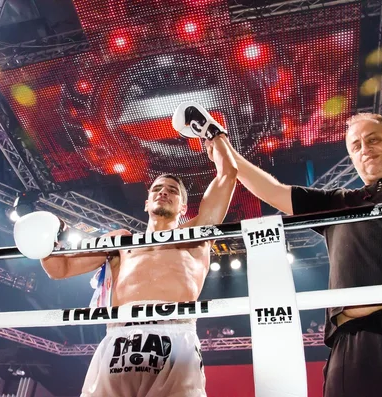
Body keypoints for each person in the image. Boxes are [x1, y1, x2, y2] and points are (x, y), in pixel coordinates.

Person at [200, 106, 382, 397]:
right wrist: (219, 140)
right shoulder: (340, 203)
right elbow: (271, 190)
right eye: (356, 145)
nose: (365, 149)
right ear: (351, 155)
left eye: (373, 139)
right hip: (355, 345)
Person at [13, 102, 238, 397]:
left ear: (184, 207)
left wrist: (213, 135)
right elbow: (60, 268)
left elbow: (228, 175)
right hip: (120, 336)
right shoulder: (121, 242)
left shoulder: (195, 236)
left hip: (175, 336)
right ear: (146, 203)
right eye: (157, 188)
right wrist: (45, 237)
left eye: (172, 190)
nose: (164, 192)